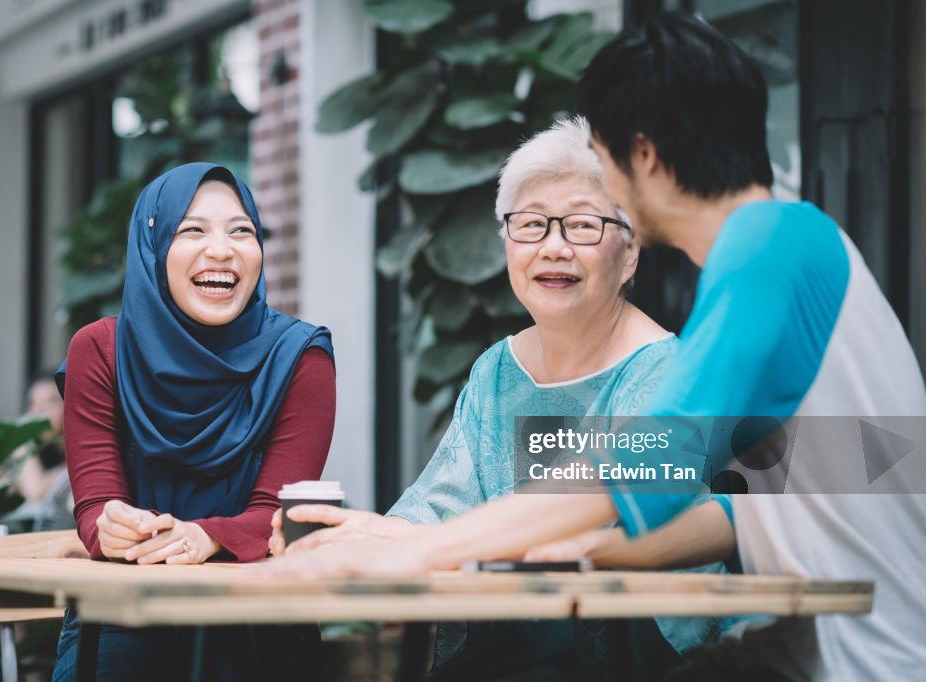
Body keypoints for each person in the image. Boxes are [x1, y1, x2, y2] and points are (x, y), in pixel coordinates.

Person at [263, 13, 926, 682]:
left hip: (870, 662)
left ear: (642, 155)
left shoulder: (770, 250)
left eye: (603, 159)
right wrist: (570, 548)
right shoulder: (799, 247)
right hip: (807, 648)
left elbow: (652, 459)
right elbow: (775, 490)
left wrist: (417, 552)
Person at [270, 118, 731, 679]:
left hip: (633, 648)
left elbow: (604, 534)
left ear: (629, 253)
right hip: (517, 639)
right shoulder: (497, 370)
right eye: (531, 225)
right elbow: (443, 504)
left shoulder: (668, 371)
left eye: (582, 226)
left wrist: (425, 543)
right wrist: (363, 531)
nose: (553, 247)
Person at [51, 163, 336, 681]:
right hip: (122, 612)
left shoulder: (300, 356)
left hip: (260, 615)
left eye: (241, 230)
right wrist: (112, 528)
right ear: (152, 249)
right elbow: (95, 506)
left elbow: (279, 513)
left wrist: (205, 538)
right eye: (193, 230)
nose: (222, 249)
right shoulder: (99, 351)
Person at [0, 370, 75, 532]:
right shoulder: (26, 446)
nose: (39, 411)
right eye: (33, 403)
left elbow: (36, 490)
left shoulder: (79, 447)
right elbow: (35, 490)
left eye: (50, 402)